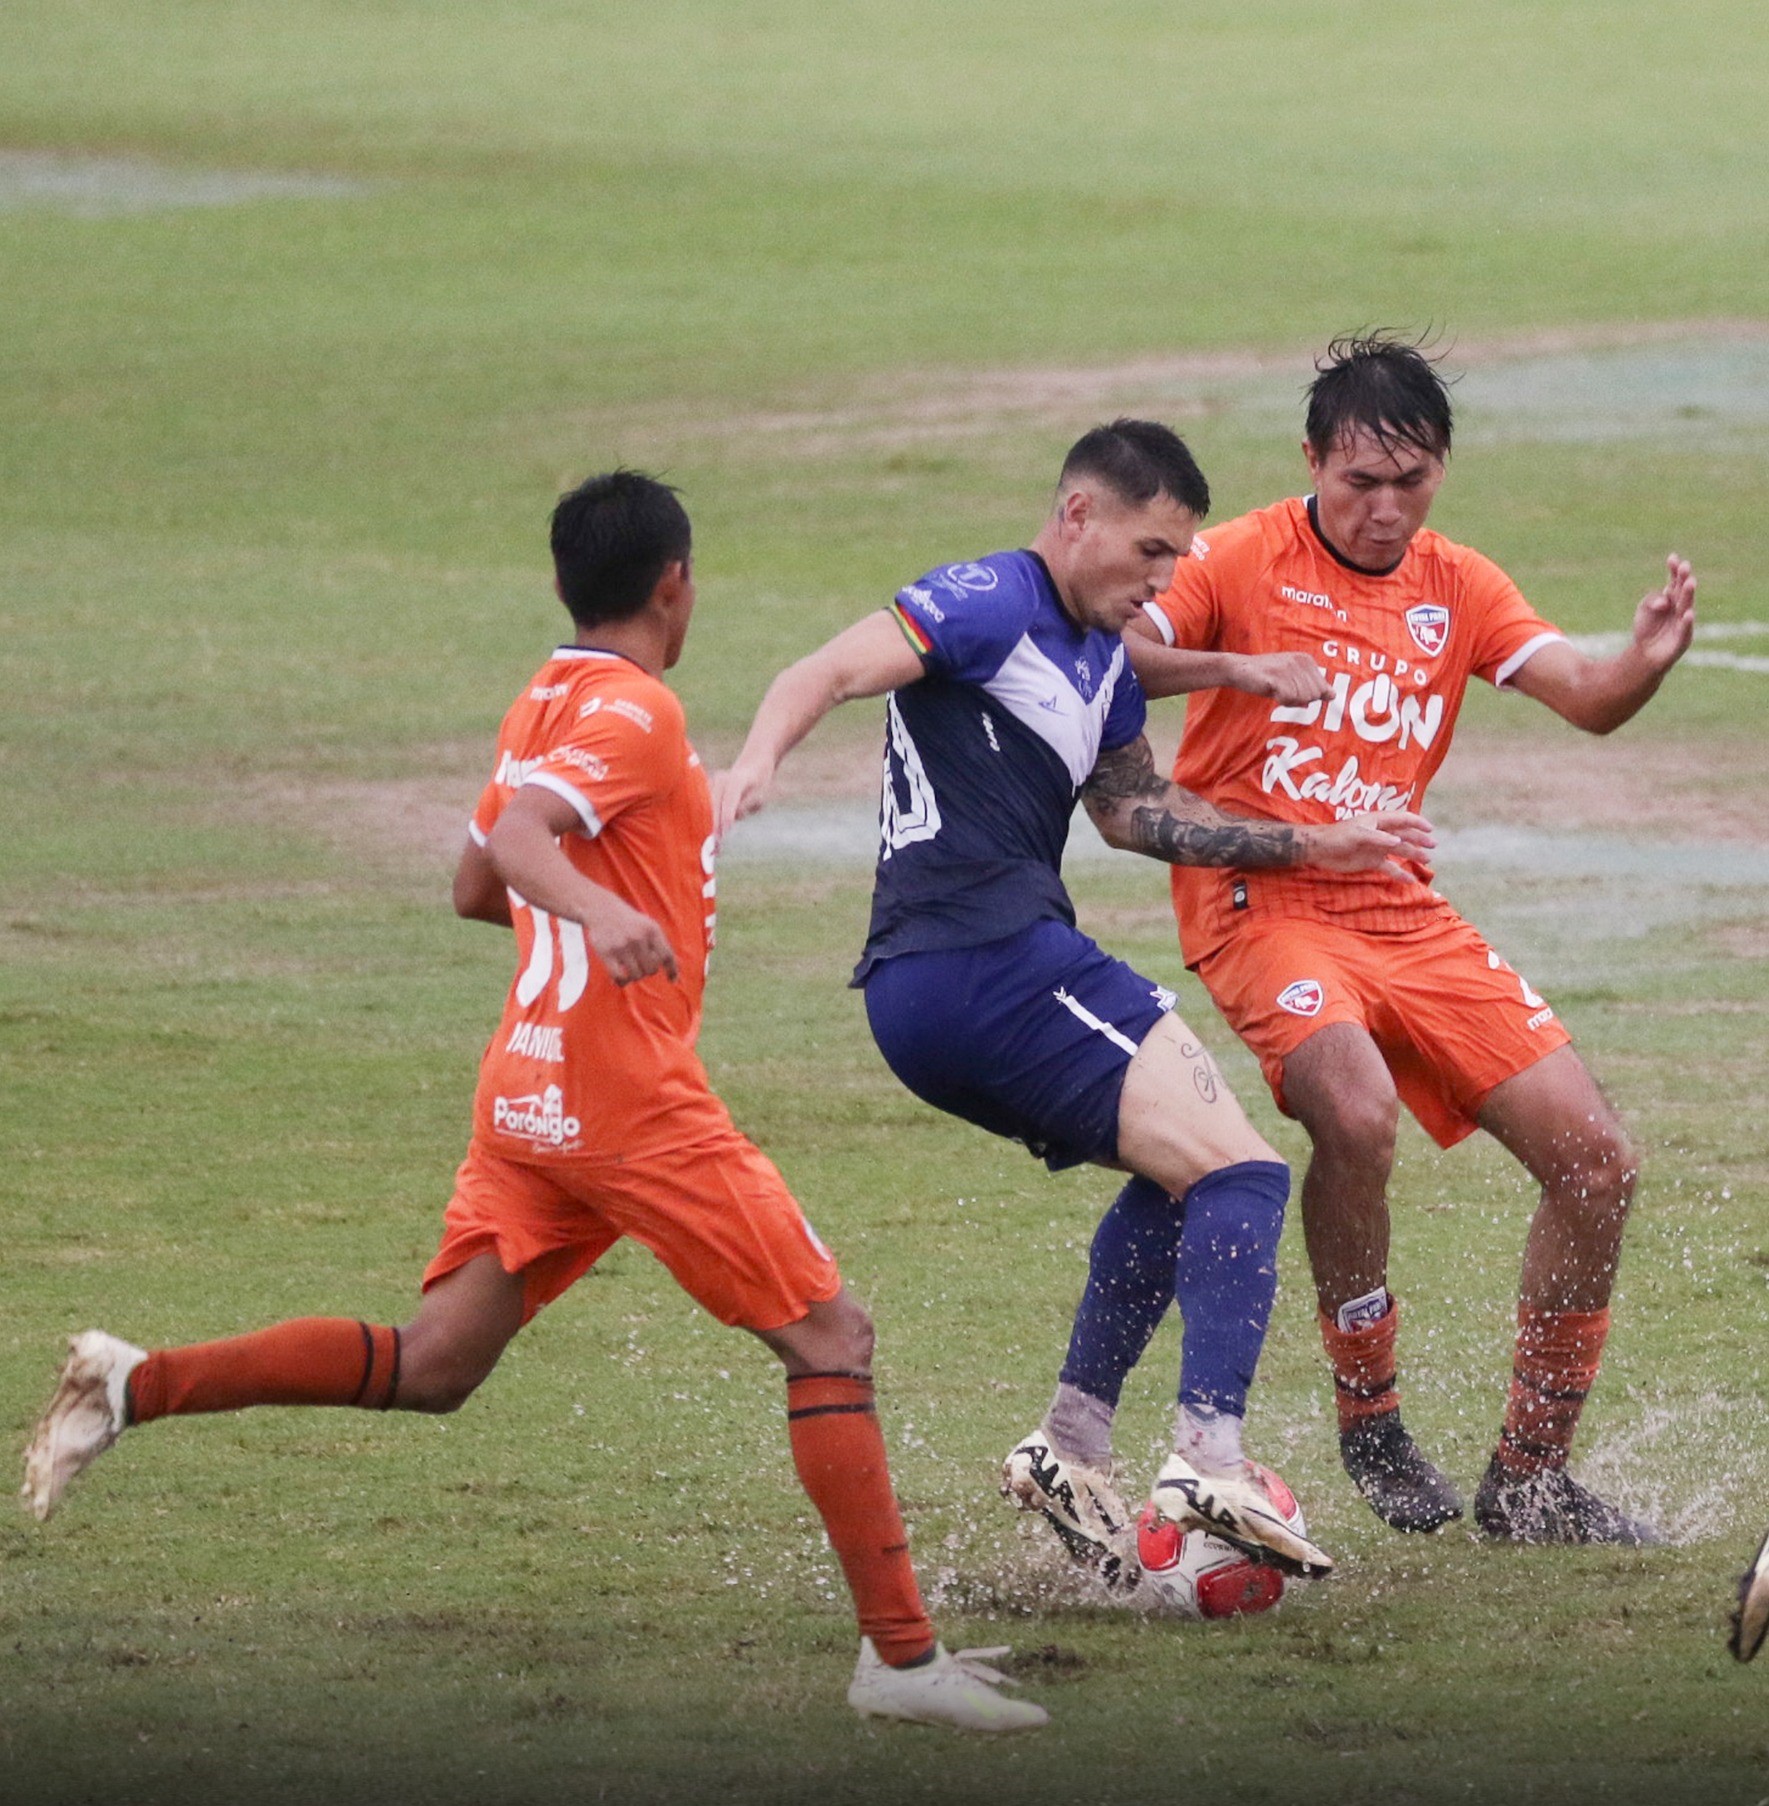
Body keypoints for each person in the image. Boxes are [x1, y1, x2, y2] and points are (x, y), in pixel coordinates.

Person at [21, 470, 1050, 1735]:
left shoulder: (543, 697)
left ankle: (135, 1383)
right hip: (627, 1100)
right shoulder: (636, 711)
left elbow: (473, 884)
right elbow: (515, 848)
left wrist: (591, 888)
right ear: (675, 584)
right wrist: (605, 910)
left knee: (434, 1363)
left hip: (528, 1087)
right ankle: (898, 1660)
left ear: (564, 583)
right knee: (831, 1338)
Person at [716, 420, 1433, 1588]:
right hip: (984, 962)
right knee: (1246, 1176)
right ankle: (1208, 1460)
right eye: (1149, 552)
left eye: (1176, 560)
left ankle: (1070, 1444)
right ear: (1076, 516)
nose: (1161, 582)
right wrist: (754, 763)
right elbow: (825, 670)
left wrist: (1312, 841)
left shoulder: (1099, 660)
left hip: (943, 985)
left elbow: (1136, 815)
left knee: (1185, 1174)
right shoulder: (988, 600)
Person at [1063, 334, 1694, 1543]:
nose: (1384, 508)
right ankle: (1369, 1411)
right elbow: (1115, 646)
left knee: (1596, 1163)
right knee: (1353, 1112)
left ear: (1439, 470)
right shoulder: (1239, 554)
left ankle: (1529, 1479)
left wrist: (1642, 661)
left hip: (1398, 909)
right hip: (1261, 899)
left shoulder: (1458, 585)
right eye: (1358, 481)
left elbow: (1587, 699)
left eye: (1410, 481)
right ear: (1310, 460)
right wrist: (1240, 665)